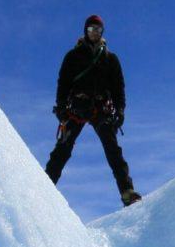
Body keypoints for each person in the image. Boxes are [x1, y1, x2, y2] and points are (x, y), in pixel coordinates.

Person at [45, 15, 141, 206]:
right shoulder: (73, 56)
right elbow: (63, 83)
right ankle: (44, 186)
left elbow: (118, 88)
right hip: (76, 108)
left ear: (102, 32)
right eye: (91, 29)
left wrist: (120, 110)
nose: (94, 33)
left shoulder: (110, 59)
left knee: (113, 150)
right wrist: (61, 106)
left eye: (98, 30)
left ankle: (127, 192)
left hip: (101, 108)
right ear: (85, 31)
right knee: (62, 149)